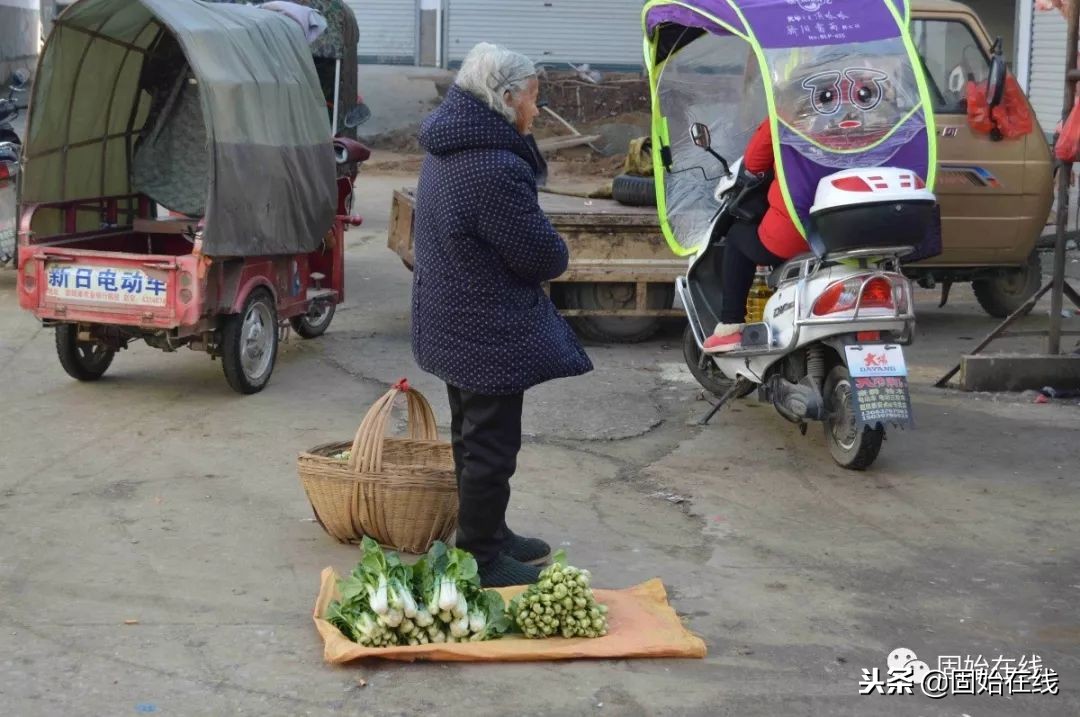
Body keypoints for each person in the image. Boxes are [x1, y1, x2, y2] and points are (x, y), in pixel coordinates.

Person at [411, 43, 593, 587]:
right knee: (490, 448)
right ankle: (483, 560)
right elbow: (543, 257)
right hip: (482, 327)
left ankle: (487, 533)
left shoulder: (449, 145)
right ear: (505, 98)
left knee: (471, 437)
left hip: (451, 315)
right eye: (533, 101)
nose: (536, 112)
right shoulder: (491, 166)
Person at [703, 118, 807, 353]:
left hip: (800, 229)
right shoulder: (872, 108)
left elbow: (754, 163)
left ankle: (731, 326)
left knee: (738, 236)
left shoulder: (790, 110)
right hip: (860, 228)